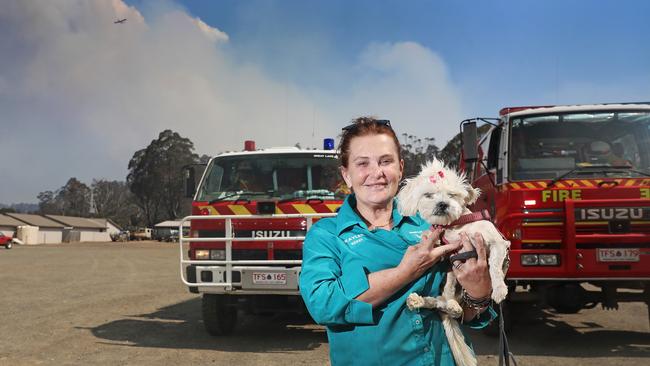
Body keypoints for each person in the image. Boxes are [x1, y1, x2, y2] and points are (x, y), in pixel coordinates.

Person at [299, 117, 496, 366]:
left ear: (400, 168)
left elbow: (463, 312)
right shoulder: (327, 235)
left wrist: (479, 293)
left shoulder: (433, 222)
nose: (376, 173)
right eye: (362, 164)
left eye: (386, 161)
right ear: (346, 175)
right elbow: (322, 303)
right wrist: (406, 271)